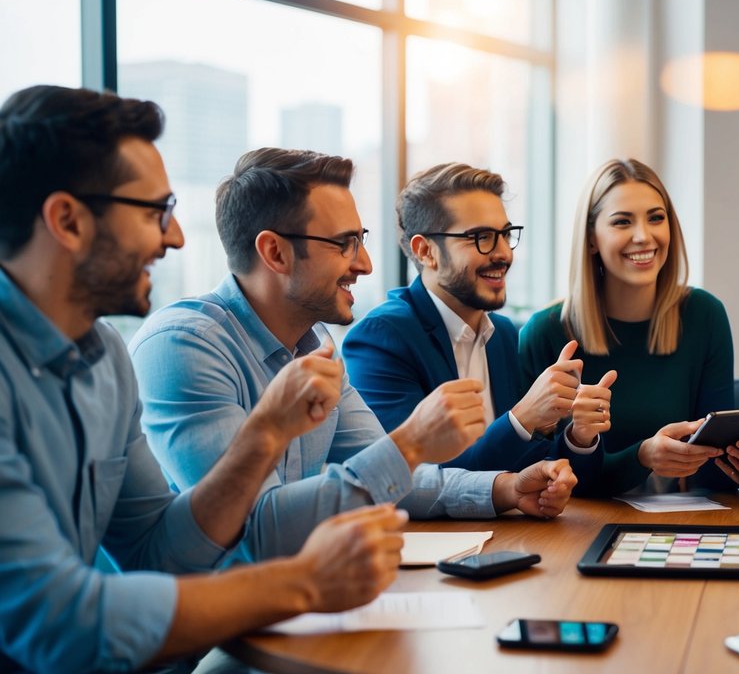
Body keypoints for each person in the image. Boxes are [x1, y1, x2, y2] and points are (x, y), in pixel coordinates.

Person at [0, 85, 404, 672]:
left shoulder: (106, 356)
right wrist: (304, 582)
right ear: (67, 220)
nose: (176, 238)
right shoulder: (171, 344)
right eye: (154, 212)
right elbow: (56, 620)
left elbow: (156, 555)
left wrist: (262, 437)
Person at [131, 148, 574, 563]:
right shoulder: (184, 346)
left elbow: (388, 478)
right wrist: (412, 441)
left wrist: (505, 489)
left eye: (360, 239)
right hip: (201, 634)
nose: (365, 264)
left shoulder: (314, 345)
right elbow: (256, 531)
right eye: (344, 243)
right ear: (275, 253)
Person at [519, 158, 739, 496]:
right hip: (575, 528)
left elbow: (713, 479)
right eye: (622, 222)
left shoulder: (704, 315)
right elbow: (532, 477)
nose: (643, 236)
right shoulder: (545, 333)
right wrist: (641, 456)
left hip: (679, 525)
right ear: (591, 239)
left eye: (656, 218)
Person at [344, 163, 595, 478]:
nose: (503, 253)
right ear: (426, 251)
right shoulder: (381, 337)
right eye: (482, 237)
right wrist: (523, 417)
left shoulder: (502, 334)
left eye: (505, 234)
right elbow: (411, 478)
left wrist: (578, 437)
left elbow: (526, 463)